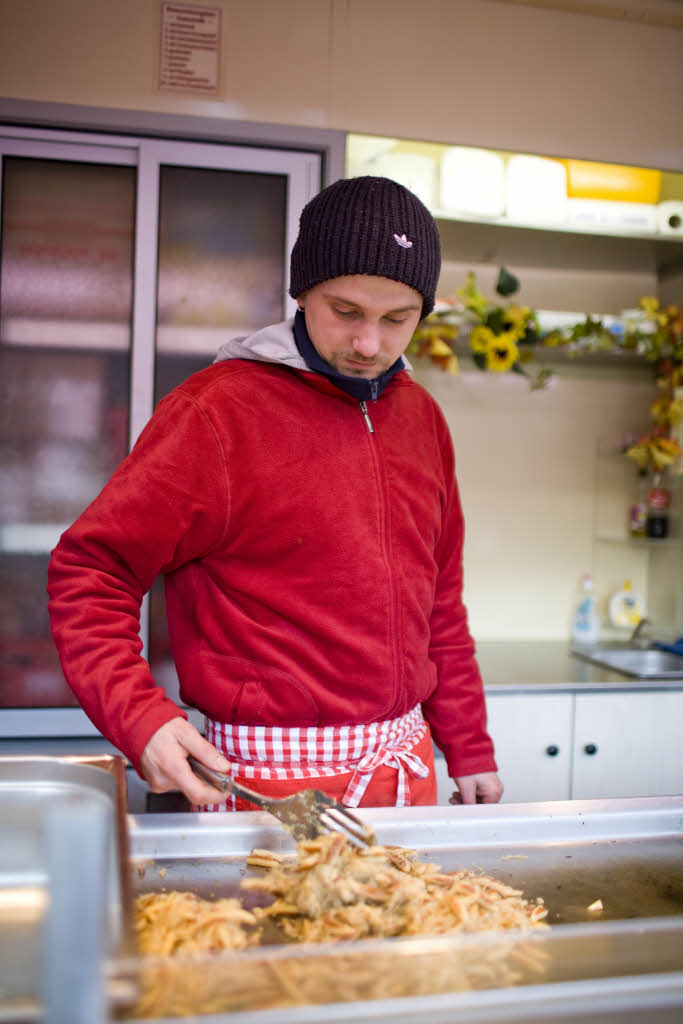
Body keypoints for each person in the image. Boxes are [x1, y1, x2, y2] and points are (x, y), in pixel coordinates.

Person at [47, 175, 503, 811]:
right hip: (262, 787)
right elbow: (92, 571)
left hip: (407, 773)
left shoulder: (422, 419)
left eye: (397, 319)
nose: (370, 344)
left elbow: (440, 601)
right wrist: (141, 717)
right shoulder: (216, 413)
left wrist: (468, 744)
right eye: (346, 313)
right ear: (301, 292)